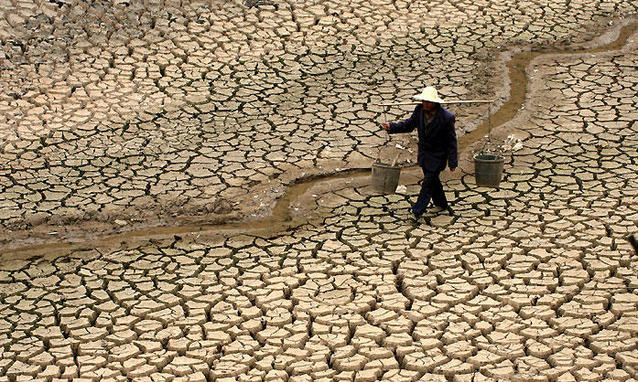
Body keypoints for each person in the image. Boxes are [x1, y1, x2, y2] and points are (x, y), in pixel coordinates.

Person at [382, 86, 458, 218]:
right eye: (423, 101)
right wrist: (392, 127)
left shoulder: (446, 118)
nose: (425, 104)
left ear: (435, 102)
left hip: (438, 156)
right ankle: (442, 204)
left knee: (427, 184)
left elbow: (451, 141)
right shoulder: (419, 111)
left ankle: (417, 211)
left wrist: (452, 161)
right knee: (433, 181)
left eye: (428, 101)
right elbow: (409, 125)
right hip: (424, 154)